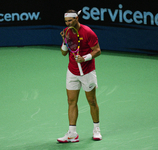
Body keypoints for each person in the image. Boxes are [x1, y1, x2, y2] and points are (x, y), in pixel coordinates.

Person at [57, 9, 102, 143]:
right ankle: (72, 134)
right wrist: (65, 41)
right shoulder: (67, 31)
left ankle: (96, 129)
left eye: (70, 20)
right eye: (66, 21)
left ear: (77, 18)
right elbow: (64, 53)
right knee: (71, 101)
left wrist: (85, 58)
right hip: (72, 71)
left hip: (87, 71)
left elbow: (98, 50)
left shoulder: (88, 32)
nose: (68, 23)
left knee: (92, 101)